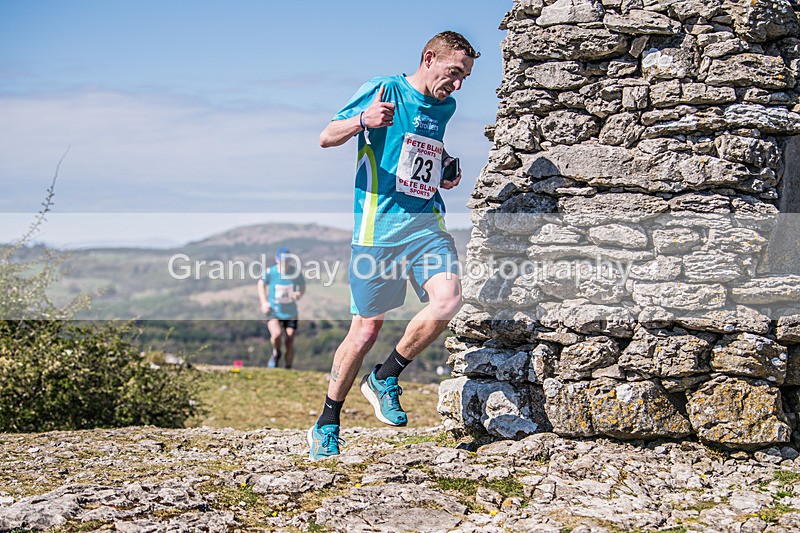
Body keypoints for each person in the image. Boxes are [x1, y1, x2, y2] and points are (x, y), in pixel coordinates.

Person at [308, 31, 479, 460]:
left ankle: (386, 376)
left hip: (425, 224)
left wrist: (444, 168)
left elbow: (421, 150)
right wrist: (362, 122)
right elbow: (327, 136)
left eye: (465, 78)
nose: (458, 85)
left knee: (449, 299)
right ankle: (327, 420)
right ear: (429, 58)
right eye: (454, 73)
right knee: (365, 330)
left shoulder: (446, 106)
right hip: (377, 231)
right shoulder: (383, 88)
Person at [257, 247, 305, 369]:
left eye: (287, 260)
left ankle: (288, 367)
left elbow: (302, 286)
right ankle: (276, 353)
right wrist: (264, 302)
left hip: (291, 312)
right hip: (274, 310)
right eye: (282, 260)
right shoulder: (270, 272)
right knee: (277, 334)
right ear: (277, 260)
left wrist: (299, 293)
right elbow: (261, 284)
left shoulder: (295, 272)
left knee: (289, 341)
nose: (285, 262)